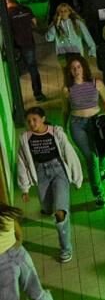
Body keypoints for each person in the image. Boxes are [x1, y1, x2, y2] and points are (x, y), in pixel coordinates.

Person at [17, 107, 83, 263]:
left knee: (60, 211)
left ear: (43, 118)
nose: (32, 123)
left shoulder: (56, 133)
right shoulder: (26, 139)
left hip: (59, 171)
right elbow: (22, 163)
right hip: (41, 173)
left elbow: (69, 154)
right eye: (28, 121)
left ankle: (66, 249)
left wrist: (76, 178)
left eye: (35, 119)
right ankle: (47, 209)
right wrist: (25, 188)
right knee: (47, 206)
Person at [0, 202, 69, 300]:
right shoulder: (4, 210)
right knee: (37, 292)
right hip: (19, 253)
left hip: (3, 268)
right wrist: (16, 244)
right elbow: (19, 234)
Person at [63, 55, 105, 207]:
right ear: (69, 71)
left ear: (83, 67)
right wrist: (63, 129)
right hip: (77, 125)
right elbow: (65, 110)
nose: (76, 70)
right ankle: (99, 194)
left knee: (102, 151)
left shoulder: (97, 83)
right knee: (91, 158)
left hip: (96, 122)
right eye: (73, 68)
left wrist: (104, 115)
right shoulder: (67, 90)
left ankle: (103, 168)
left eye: (78, 67)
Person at [7, 0, 45, 104]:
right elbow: (34, 23)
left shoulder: (7, 13)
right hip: (28, 43)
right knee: (33, 69)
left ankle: (17, 101)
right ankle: (38, 94)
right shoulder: (26, 9)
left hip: (15, 46)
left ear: (8, 2)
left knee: (15, 73)